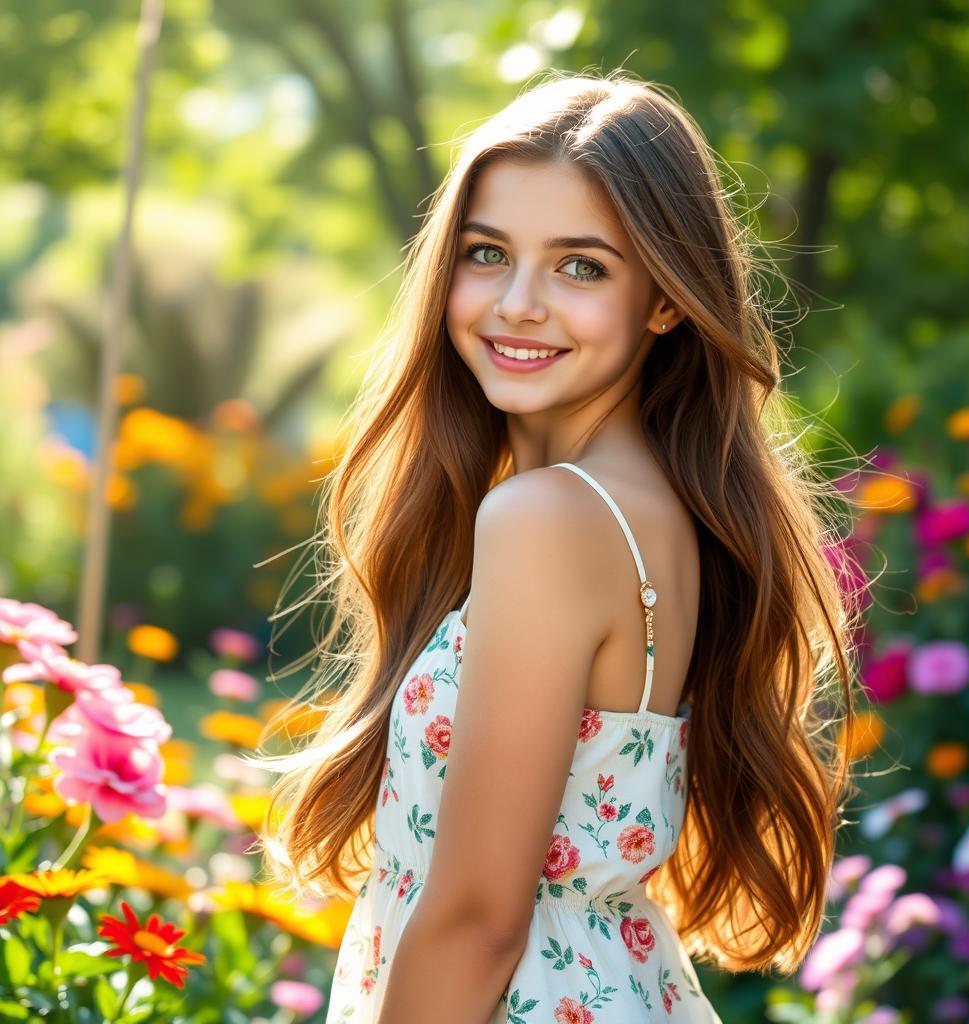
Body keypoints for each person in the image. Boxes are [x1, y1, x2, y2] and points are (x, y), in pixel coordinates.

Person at [249, 69, 863, 1023]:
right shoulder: (641, 507)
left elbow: (478, 918)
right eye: (487, 253)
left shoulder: (550, 519)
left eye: (582, 266)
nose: (518, 304)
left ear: (666, 301)